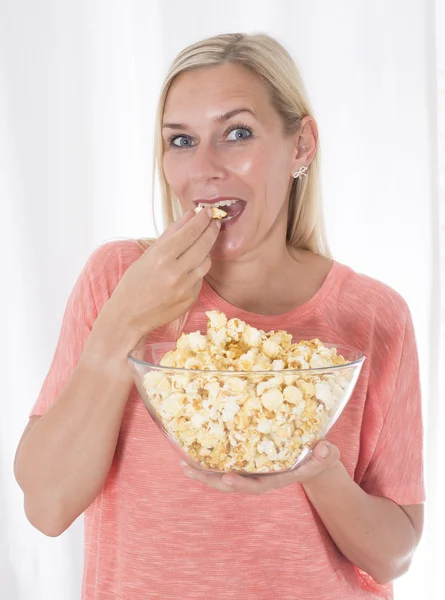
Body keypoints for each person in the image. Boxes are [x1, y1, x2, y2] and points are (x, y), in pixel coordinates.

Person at [14, 32, 425, 600]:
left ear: (301, 145)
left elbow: (393, 554)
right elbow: (47, 505)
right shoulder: (116, 279)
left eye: (237, 133)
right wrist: (122, 324)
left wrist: (316, 467)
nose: (203, 168)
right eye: (181, 140)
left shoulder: (374, 316)